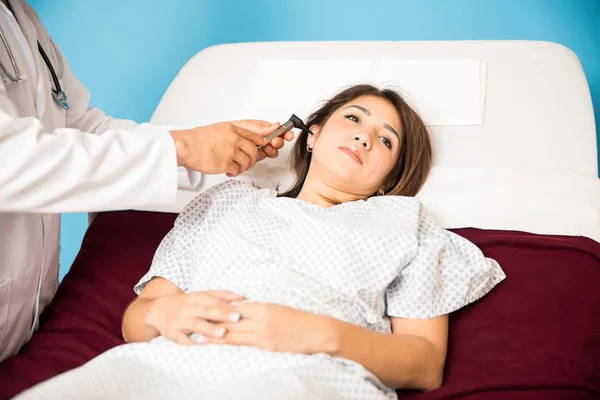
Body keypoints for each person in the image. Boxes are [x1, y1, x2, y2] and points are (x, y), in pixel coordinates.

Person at [14, 84, 506, 400]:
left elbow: (422, 364)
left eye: (385, 141)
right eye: (353, 120)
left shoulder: (404, 221)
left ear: (388, 179)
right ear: (311, 135)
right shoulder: (227, 201)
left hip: (309, 380)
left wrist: (315, 334)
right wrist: (164, 316)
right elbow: (139, 320)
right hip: (164, 368)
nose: (363, 138)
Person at [0, 0, 293, 362]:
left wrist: (197, 141)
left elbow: (81, 127)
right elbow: (10, 159)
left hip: (26, 327)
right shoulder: (216, 218)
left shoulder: (20, 17)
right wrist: (182, 148)